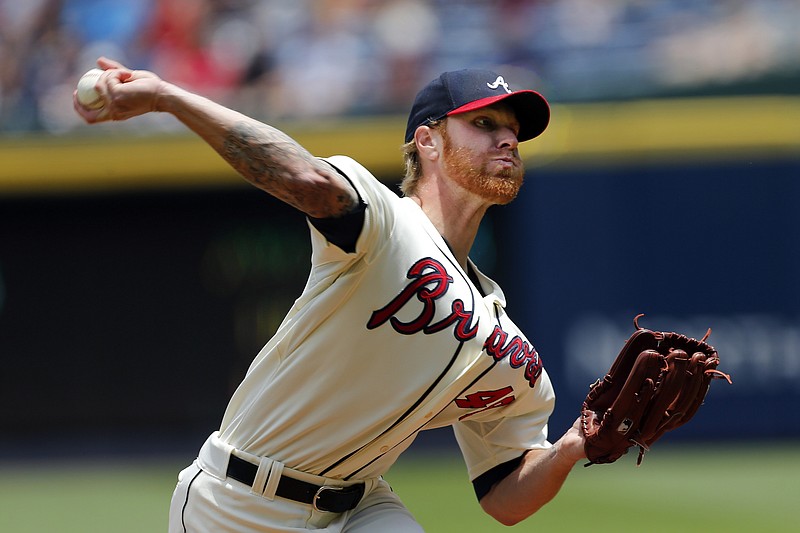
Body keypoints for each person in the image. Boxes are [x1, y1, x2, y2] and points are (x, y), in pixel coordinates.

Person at [74, 57, 587, 532]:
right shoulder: (385, 223)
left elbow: (503, 497)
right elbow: (303, 176)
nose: (507, 140)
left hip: (360, 506)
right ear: (427, 142)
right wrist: (167, 97)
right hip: (239, 502)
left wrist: (573, 447)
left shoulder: (507, 346)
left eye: (513, 131)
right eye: (484, 124)